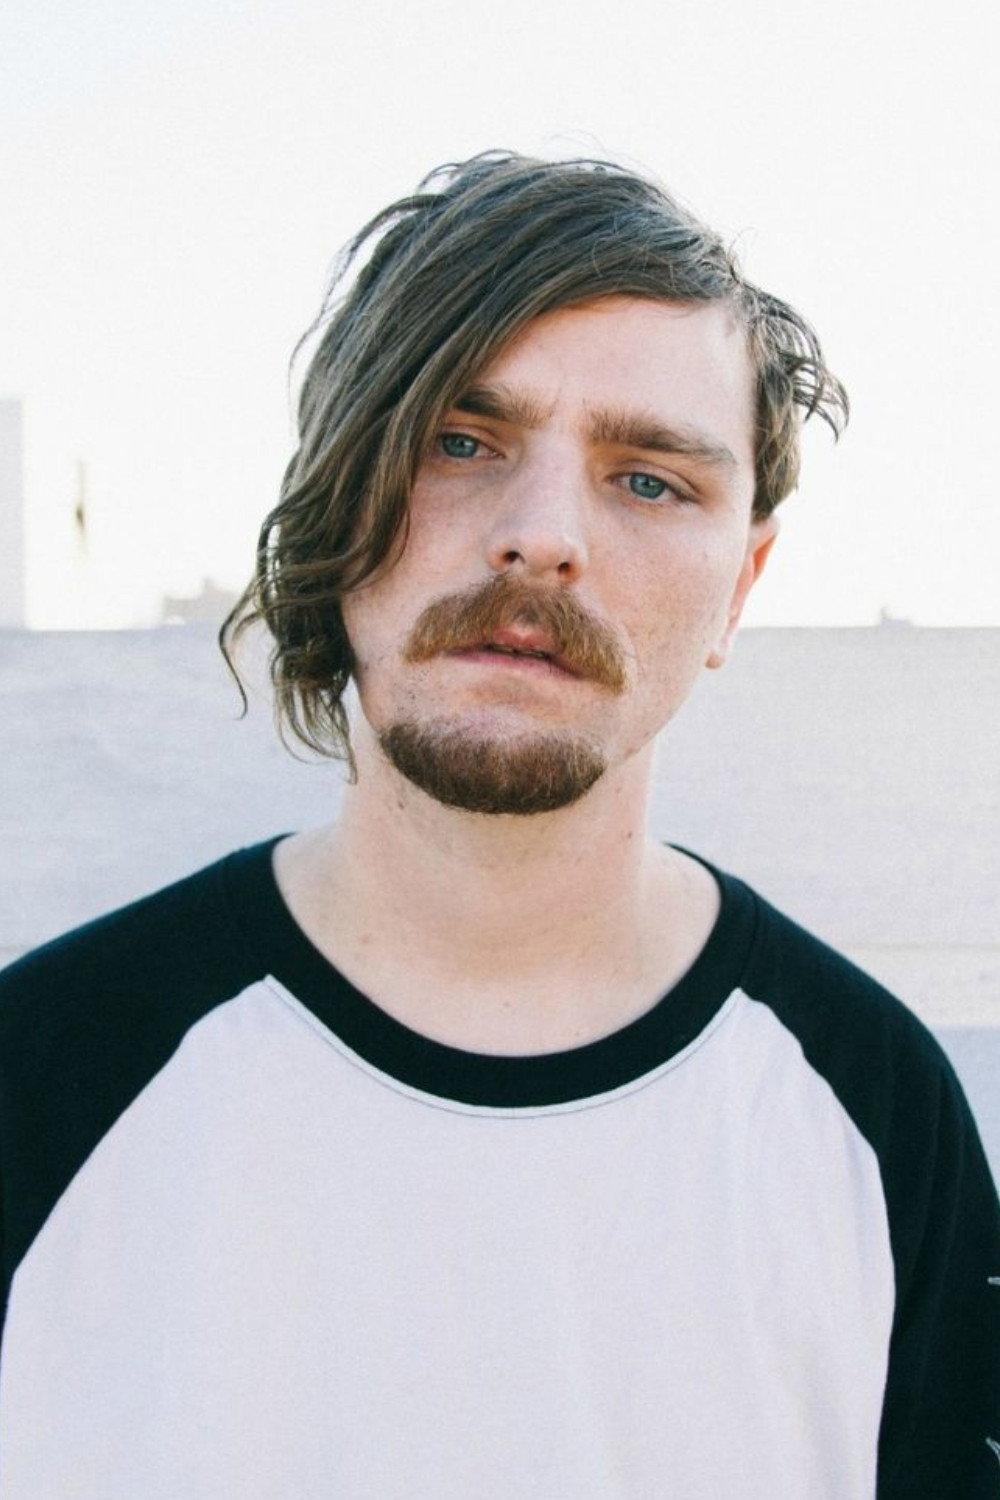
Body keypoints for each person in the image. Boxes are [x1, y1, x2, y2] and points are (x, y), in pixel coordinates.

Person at [0, 150, 996, 1499]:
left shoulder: (874, 1117)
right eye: (459, 443)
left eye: (650, 479)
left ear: (742, 585)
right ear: (338, 487)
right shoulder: (43, 1075)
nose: (541, 537)